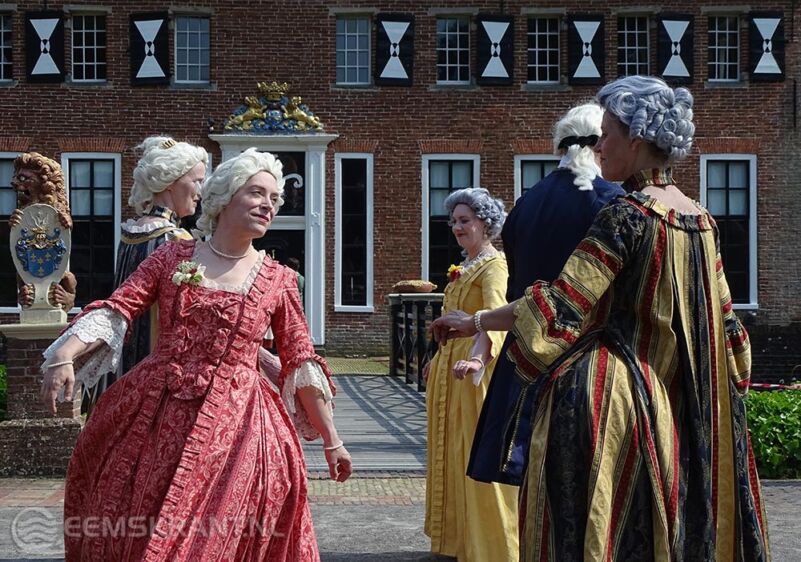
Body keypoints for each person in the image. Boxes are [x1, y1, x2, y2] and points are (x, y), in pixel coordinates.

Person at [431, 76, 770, 561]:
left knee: (595, 535)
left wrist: (480, 321)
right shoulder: (701, 220)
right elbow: (732, 339)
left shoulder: (625, 216)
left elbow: (562, 307)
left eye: (606, 133)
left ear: (635, 138)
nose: (600, 146)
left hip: (609, 404)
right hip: (681, 413)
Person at [40, 148, 352, 561]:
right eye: (257, 192)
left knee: (225, 531)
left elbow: (300, 361)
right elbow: (120, 308)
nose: (268, 205)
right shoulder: (173, 256)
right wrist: (64, 352)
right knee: (136, 512)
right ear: (224, 196)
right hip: (157, 410)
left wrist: (333, 441)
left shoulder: (279, 281)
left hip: (243, 425)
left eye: (275, 199)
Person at [467, 103, 624, 484]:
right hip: (588, 363)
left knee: (535, 491)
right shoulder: (612, 203)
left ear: (559, 147)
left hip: (523, 363)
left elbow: (514, 290)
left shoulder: (526, 203)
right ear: (602, 144)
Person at [423, 187, 518, 562]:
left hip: (474, 376)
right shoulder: (468, 265)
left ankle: (490, 546)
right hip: (451, 370)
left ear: (485, 224)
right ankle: (457, 539)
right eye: (454, 221)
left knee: (474, 452)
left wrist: (478, 359)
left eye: (465, 221)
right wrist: (438, 356)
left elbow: (496, 316)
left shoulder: (494, 266)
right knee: (452, 451)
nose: (457, 227)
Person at [83, 136, 208, 410]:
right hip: (156, 370)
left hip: (120, 368)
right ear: (171, 181)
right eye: (196, 181)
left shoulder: (130, 232)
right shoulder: (175, 239)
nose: (201, 191)